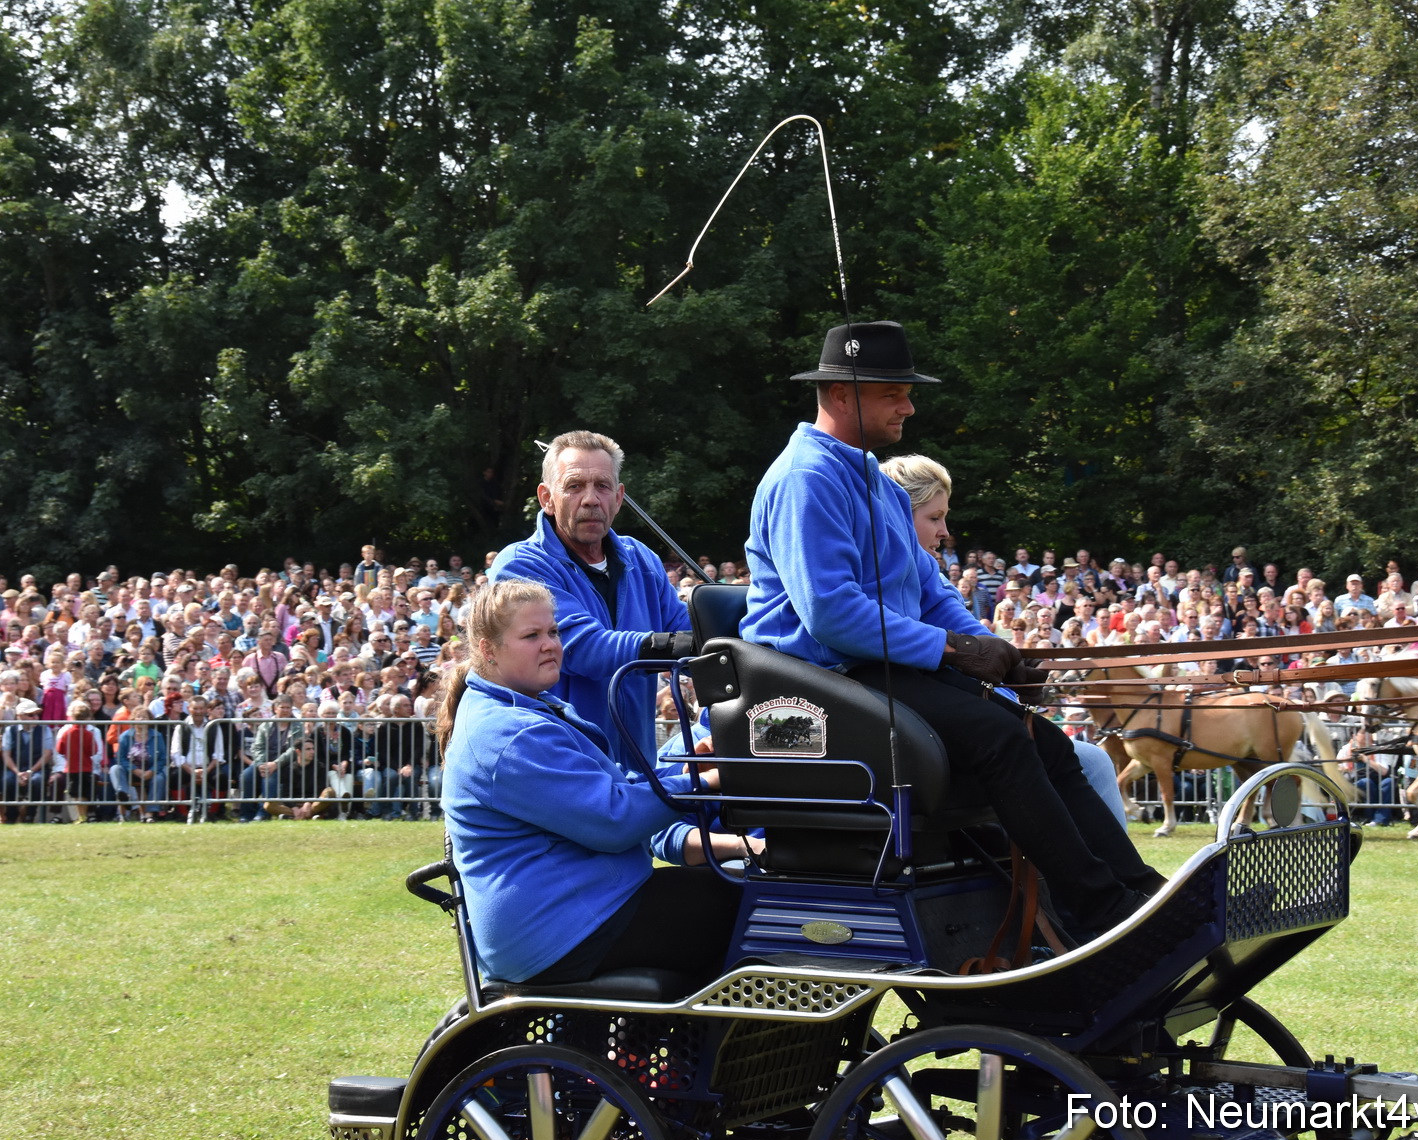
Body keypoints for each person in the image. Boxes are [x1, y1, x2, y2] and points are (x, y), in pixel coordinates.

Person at [742, 320, 1159, 940]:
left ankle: (1141, 894)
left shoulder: (871, 479)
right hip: (817, 685)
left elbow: (928, 592)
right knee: (1000, 740)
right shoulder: (807, 478)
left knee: (1039, 739)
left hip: (877, 673)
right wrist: (953, 650)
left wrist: (996, 653)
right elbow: (830, 612)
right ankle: (1102, 911)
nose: (908, 406)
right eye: (893, 393)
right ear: (839, 394)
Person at [441, 579, 743, 985]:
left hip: (574, 914)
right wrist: (706, 783)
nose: (550, 644)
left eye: (553, 631)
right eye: (531, 636)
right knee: (752, 906)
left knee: (742, 894)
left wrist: (686, 773)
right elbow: (613, 819)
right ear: (488, 650)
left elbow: (612, 788)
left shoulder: (521, 709)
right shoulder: (509, 732)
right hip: (559, 931)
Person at [880, 453, 1129, 828]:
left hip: (926, 723)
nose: (945, 531)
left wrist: (1012, 664)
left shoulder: (926, 569)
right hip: (909, 729)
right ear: (898, 516)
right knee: (1087, 761)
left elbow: (963, 625)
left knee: (1091, 759)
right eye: (934, 518)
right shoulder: (883, 572)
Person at [489, 431, 694, 775]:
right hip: (558, 769)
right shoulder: (520, 565)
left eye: (601, 486)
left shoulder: (641, 559)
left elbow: (687, 633)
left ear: (618, 497)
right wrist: (678, 645)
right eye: (574, 486)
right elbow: (582, 648)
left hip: (636, 772)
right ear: (546, 498)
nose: (590, 499)